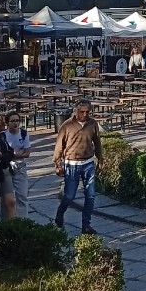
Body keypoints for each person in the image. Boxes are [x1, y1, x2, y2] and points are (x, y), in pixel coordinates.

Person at [52, 100, 103, 235]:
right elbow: (59, 146)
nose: (84, 114)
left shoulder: (92, 124)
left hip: (88, 163)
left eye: (87, 112)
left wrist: (100, 159)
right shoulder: (67, 125)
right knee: (69, 195)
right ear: (76, 111)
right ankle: (60, 213)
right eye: (82, 112)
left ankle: (86, 225)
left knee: (90, 196)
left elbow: (97, 142)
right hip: (72, 164)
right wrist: (57, 163)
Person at [3, 112, 32, 218]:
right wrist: (16, 154)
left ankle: (23, 220)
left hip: (20, 167)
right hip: (7, 168)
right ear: (7, 123)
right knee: (7, 198)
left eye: (17, 121)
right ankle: (7, 221)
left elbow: (27, 153)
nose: (15, 124)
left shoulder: (23, 134)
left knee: (22, 196)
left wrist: (12, 155)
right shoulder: (3, 136)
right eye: (12, 121)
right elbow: (3, 155)